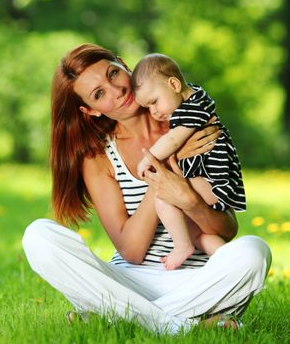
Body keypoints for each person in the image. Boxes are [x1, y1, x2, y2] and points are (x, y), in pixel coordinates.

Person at [22, 43, 271, 334]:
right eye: (99, 94)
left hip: (198, 281)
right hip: (129, 281)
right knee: (38, 237)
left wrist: (189, 198)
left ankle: (119, 316)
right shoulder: (99, 157)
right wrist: (166, 164)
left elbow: (227, 229)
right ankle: (178, 326)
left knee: (255, 251)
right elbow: (131, 250)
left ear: (124, 64)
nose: (116, 91)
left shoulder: (188, 122)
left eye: (113, 74)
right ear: (90, 111)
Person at [131, 53, 246, 270]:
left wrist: (148, 159)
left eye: (154, 102)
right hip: (209, 181)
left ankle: (181, 246)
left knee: (162, 196)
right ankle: (230, 262)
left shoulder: (193, 108)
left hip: (212, 181)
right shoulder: (195, 98)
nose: (153, 111)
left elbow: (173, 140)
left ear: (174, 84)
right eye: (147, 108)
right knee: (195, 232)